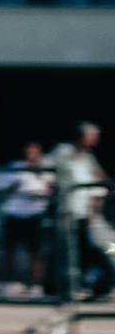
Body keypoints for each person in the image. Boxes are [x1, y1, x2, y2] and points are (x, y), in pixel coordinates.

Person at [52, 121, 112, 300]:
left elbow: (99, 177)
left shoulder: (89, 157)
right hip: (70, 210)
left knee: (104, 248)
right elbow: (56, 173)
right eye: (92, 136)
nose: (95, 140)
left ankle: (101, 284)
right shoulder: (63, 152)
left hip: (91, 212)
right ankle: (73, 287)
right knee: (72, 252)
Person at [0, 141, 52, 299]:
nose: (31, 154)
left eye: (34, 151)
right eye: (28, 151)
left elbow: (51, 190)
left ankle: (35, 286)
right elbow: (0, 190)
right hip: (14, 214)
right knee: (8, 252)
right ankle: (4, 285)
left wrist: (42, 191)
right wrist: (15, 185)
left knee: (36, 253)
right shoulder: (14, 167)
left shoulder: (45, 170)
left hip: (35, 215)